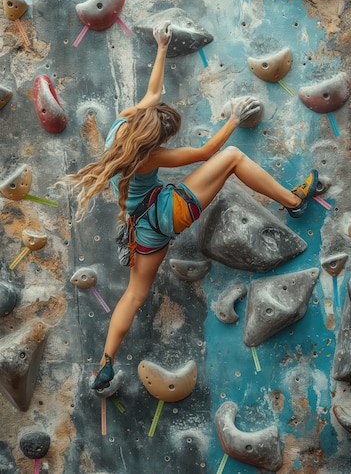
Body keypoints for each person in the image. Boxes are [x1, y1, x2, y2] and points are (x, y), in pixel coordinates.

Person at [64, 21, 318, 390]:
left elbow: (152, 92)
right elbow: (204, 152)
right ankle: (294, 202)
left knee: (134, 295)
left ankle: (104, 366)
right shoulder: (150, 156)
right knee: (230, 156)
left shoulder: (122, 126)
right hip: (167, 211)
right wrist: (232, 119)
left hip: (143, 228)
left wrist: (161, 46)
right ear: (154, 142)